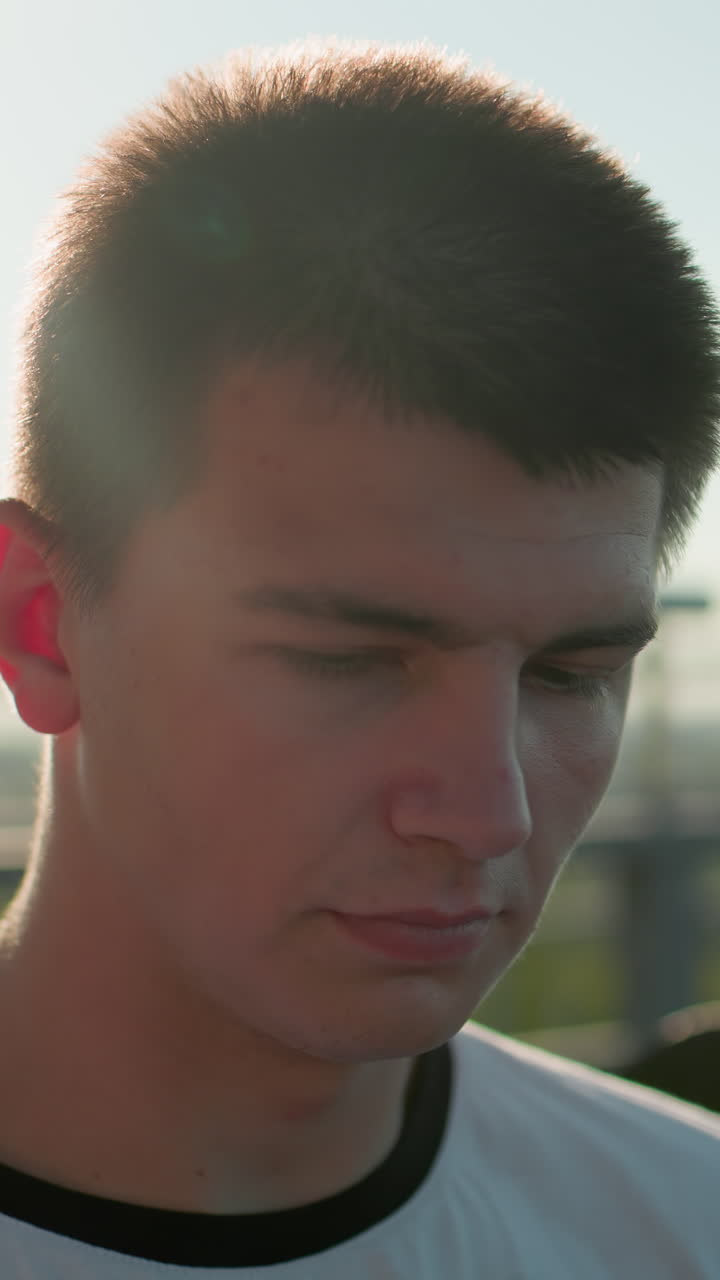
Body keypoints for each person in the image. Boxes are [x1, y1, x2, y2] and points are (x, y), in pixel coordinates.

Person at [0, 41, 718, 1278]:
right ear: (42, 625)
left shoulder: (686, 1220)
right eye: (348, 659)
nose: (485, 814)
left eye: (570, 672)